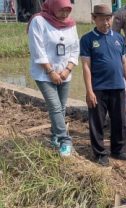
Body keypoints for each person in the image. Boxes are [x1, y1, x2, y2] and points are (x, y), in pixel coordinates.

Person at [80, 4, 126, 166]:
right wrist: (89, 91)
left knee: (120, 120)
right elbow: (86, 66)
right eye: (102, 19)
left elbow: (124, 62)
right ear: (94, 19)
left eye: (108, 19)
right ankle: (99, 153)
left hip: (118, 86)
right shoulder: (87, 39)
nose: (106, 23)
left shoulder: (118, 38)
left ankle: (118, 150)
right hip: (98, 88)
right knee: (97, 122)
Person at [27, 0, 79, 157]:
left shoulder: (71, 24)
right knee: (55, 107)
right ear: (53, 7)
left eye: (67, 10)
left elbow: (75, 48)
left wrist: (68, 69)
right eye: (61, 10)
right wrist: (51, 72)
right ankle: (65, 140)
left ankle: (55, 137)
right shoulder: (39, 21)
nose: (65, 14)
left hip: (64, 73)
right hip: (44, 74)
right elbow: (37, 50)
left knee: (61, 107)